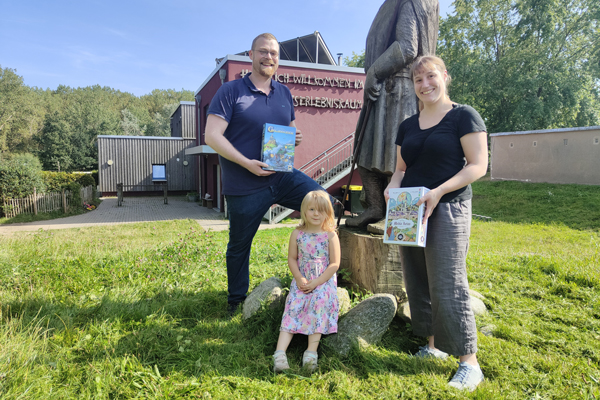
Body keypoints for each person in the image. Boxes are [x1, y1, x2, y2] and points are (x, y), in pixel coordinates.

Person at [384, 55, 488, 391]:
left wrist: (438, 192)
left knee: (448, 281)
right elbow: (400, 169)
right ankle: (433, 346)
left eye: (431, 76)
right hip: (409, 211)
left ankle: (469, 363)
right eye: (418, 80)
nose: (425, 85)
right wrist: (391, 187)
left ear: (445, 76)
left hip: (448, 208)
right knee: (418, 278)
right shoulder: (408, 125)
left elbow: (477, 165)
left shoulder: (463, 116)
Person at [204, 33, 325, 316]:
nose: (268, 57)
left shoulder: (284, 93)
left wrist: (295, 137)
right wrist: (246, 162)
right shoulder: (231, 91)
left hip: (281, 176)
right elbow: (212, 135)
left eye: (273, 53)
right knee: (239, 246)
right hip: (244, 183)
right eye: (263, 52)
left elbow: (290, 128)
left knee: (323, 204)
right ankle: (236, 301)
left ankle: (319, 280)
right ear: (251, 54)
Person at [346, 0, 439, 227]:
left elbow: (408, 46)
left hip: (399, 88)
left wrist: (375, 71)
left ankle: (395, 216)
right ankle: (376, 207)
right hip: (385, 90)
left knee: (394, 156)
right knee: (365, 149)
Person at [273, 190, 340, 373]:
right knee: (294, 303)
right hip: (302, 279)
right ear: (304, 210)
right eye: (312, 209)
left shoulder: (330, 235)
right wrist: (300, 278)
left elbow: (334, 264)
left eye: (321, 210)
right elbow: (292, 259)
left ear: (328, 212)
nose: (316, 214)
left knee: (318, 300)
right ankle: (279, 354)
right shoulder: (297, 233)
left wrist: (317, 282)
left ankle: (311, 352)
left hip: (323, 281)